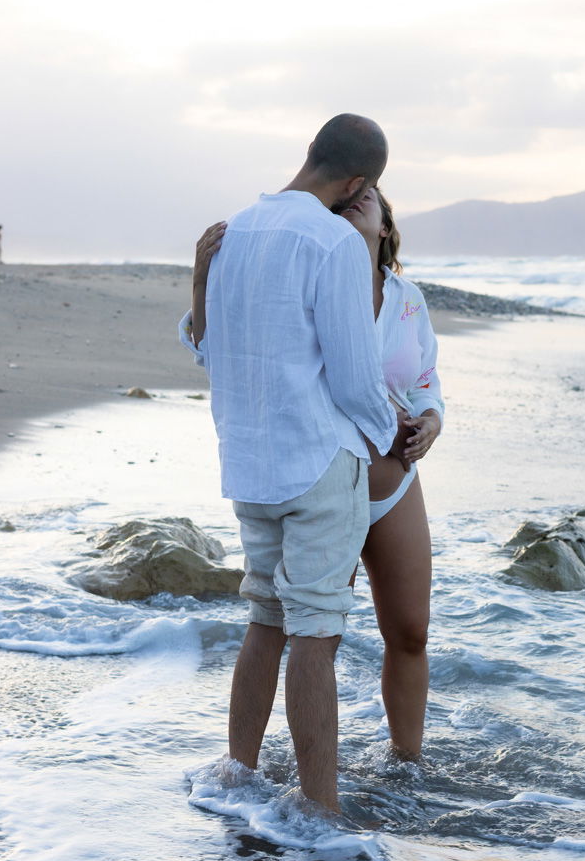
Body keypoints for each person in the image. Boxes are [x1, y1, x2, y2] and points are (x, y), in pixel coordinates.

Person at [179, 114, 399, 815]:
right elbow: (355, 371)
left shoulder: (232, 231)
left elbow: (212, 350)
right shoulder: (332, 240)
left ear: (311, 155)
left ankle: (237, 776)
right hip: (315, 460)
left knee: (265, 619)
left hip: (248, 463)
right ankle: (320, 812)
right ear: (358, 183)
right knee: (315, 631)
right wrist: (386, 436)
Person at [186, 183, 443, 766]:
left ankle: (406, 763)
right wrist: (202, 283)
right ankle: (273, 784)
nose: (357, 199)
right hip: (323, 477)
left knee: (410, 632)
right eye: (348, 196)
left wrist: (431, 420)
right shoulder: (308, 265)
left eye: (370, 198)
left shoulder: (408, 301)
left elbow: (425, 375)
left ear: (385, 227)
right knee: (301, 630)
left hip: (394, 480)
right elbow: (221, 349)